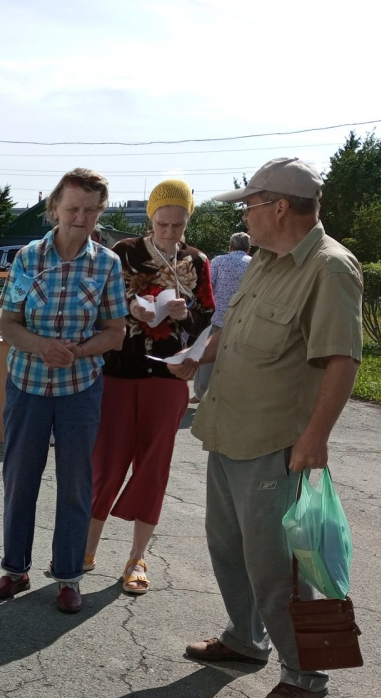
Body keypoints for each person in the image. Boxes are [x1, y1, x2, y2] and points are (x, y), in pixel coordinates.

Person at [170, 157, 363, 698]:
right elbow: (231, 328)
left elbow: (342, 360)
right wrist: (197, 356)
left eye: (250, 205)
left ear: (280, 207)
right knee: (229, 549)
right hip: (230, 431)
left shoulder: (329, 268)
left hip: (278, 444)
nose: (245, 216)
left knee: (284, 567)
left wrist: (315, 438)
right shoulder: (266, 259)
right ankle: (245, 639)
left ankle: (307, 674)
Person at [0, 169, 127, 613]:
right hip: (26, 385)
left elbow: (116, 332)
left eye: (90, 210)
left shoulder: (107, 264)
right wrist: (42, 346)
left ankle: (68, 576)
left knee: (74, 485)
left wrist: (78, 351)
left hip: (79, 389)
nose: (80, 217)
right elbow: (9, 324)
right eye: (72, 209)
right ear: (54, 209)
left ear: (99, 212)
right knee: (19, 480)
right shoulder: (27, 258)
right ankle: (15, 569)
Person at [85, 180, 215, 595]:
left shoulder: (197, 260)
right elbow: (100, 302)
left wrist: (185, 317)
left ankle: (137, 558)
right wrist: (133, 307)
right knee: (107, 463)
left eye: (178, 225)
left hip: (168, 376)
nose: (170, 232)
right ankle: (85, 549)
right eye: (163, 224)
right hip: (119, 371)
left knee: (154, 466)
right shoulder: (124, 251)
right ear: (151, 218)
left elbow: (209, 320)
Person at [193, 231, 251, 400]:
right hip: (243, 318)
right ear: (248, 249)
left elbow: (208, 287)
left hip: (217, 316)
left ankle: (201, 393)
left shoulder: (219, 261)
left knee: (207, 355)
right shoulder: (254, 264)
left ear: (230, 246)